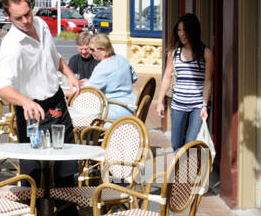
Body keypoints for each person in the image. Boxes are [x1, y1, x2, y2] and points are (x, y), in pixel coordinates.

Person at [0, 0, 83, 216]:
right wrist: (25, 101)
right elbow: (1, 88)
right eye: (19, 18)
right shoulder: (11, 45)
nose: (27, 21)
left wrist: (69, 75)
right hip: (30, 108)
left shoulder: (41, 24)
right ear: (8, 16)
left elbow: (54, 57)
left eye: (28, 13)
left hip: (56, 101)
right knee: (32, 174)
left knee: (67, 168)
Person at [150, 13, 213, 149]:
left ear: (193, 31)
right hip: (178, 104)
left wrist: (204, 105)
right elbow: (167, 77)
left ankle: (189, 170)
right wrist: (160, 101)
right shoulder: (174, 53)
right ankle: (179, 170)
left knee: (190, 144)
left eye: (185, 30)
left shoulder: (206, 53)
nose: (182, 34)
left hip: (197, 105)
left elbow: (207, 81)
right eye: (179, 30)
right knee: (176, 144)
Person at [84, 34, 137, 117]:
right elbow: (133, 78)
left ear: (103, 50)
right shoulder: (122, 59)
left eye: (92, 50)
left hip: (115, 110)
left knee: (83, 116)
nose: (89, 52)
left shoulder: (103, 67)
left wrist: (66, 92)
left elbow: (87, 91)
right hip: (132, 106)